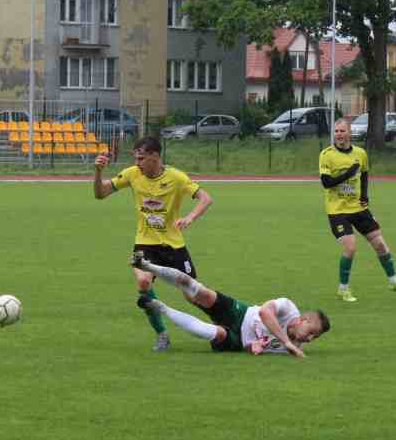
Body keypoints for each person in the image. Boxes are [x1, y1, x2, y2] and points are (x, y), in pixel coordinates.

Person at [94, 136, 213, 351]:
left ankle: (223, 327)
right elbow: (100, 194)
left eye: (141, 158)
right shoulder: (132, 174)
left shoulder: (176, 177)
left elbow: (206, 198)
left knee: (194, 295)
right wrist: (98, 172)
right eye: (136, 158)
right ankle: (161, 334)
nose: (137, 163)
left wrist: (190, 217)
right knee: (143, 283)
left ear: (155, 156)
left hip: (174, 245)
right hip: (145, 244)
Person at [130, 252, 329, 357]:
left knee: (217, 333)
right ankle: (146, 265)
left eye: (315, 337)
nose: (310, 338)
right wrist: (286, 341)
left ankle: (160, 307)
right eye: (311, 331)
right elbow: (265, 312)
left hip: (236, 341)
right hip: (241, 313)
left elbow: (253, 347)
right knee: (202, 294)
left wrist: (253, 347)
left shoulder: (295, 347)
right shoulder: (288, 307)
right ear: (303, 319)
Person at [320, 117, 396, 302]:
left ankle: (394, 282)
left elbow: (365, 174)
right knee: (350, 248)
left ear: (349, 133)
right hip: (337, 211)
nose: (339, 134)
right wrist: (348, 173)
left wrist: (365, 196)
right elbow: (326, 183)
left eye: (342, 131)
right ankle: (343, 289)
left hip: (358, 208)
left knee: (381, 245)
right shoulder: (326, 155)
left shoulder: (360, 153)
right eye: (336, 131)